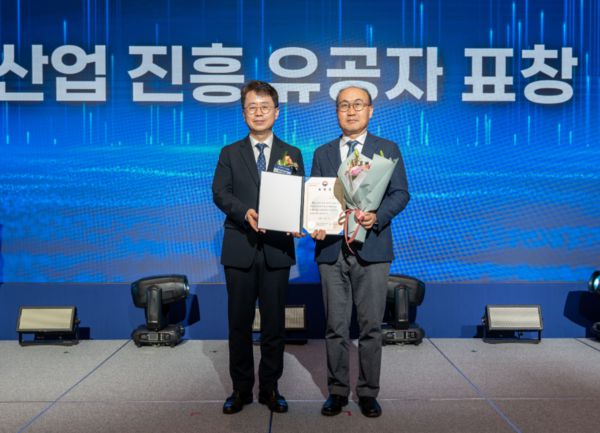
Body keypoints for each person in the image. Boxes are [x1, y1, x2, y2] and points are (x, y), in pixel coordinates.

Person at [310, 86, 410, 418]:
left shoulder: (386, 149)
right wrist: (315, 223)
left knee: (370, 327)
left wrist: (376, 217)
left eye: (357, 105)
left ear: (370, 110)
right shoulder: (323, 153)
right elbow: (317, 198)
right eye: (344, 105)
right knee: (335, 326)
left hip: (373, 249)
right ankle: (337, 391)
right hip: (331, 250)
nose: (351, 111)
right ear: (336, 112)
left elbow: (400, 193)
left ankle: (367, 392)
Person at [212, 80, 305, 415]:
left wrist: (297, 219)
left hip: (277, 250)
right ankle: (240, 390)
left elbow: (298, 195)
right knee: (238, 324)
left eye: (265, 107)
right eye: (252, 107)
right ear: (243, 113)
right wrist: (244, 212)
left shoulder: (292, 153)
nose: (259, 112)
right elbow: (220, 193)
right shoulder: (229, 152)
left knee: (274, 325)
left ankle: (270, 388)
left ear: (276, 112)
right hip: (240, 248)